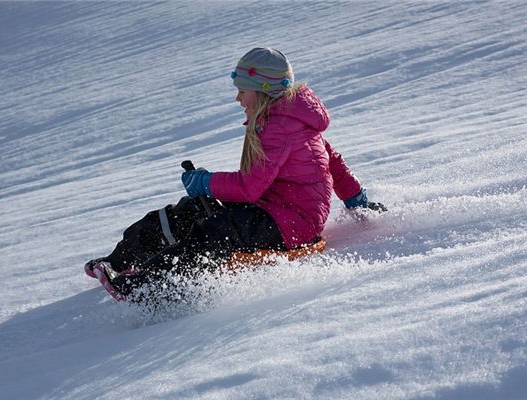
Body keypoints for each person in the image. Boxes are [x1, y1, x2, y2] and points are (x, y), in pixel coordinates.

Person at [85, 47, 385, 302]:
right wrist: (356, 199)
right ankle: (119, 261)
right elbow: (335, 163)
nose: (238, 99)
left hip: (292, 223)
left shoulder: (279, 127)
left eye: (242, 91)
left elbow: (249, 188)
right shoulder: (291, 120)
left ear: (263, 92)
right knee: (191, 210)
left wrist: (205, 182)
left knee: (217, 230)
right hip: (274, 209)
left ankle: (148, 287)